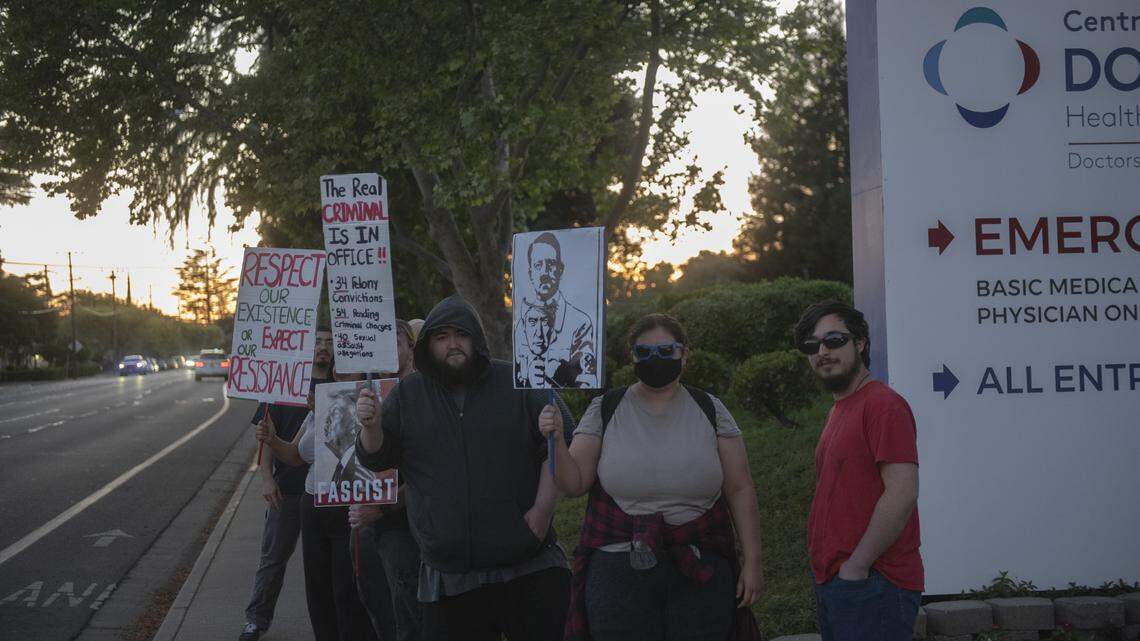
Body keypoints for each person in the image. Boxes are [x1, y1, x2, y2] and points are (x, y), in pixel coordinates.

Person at [355, 295, 576, 641]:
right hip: (450, 576)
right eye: (442, 337)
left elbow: (557, 441)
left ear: (477, 338)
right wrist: (370, 427)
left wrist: (543, 510)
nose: (453, 344)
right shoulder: (407, 394)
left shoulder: (518, 381)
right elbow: (378, 458)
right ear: (428, 345)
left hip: (528, 565)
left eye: (461, 334)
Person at [541, 312, 764, 641]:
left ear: (684, 354)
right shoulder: (605, 408)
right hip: (617, 570)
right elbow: (572, 484)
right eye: (644, 352)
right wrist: (556, 439)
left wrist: (753, 562)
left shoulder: (710, 408)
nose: (655, 359)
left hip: (701, 565)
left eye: (666, 351)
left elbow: (740, 487)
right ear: (632, 355)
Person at [793, 300, 923, 641]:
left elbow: (902, 491)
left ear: (860, 343)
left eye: (834, 340)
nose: (822, 351)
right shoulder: (841, 409)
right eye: (813, 345)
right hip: (842, 583)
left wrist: (858, 565)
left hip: (874, 584)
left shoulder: (883, 405)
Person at [256, 366, 375, 641]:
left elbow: (352, 446)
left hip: (351, 508)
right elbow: (295, 455)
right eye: (338, 368)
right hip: (313, 504)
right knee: (318, 588)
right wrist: (272, 439)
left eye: (349, 368)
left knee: (347, 589)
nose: (342, 373)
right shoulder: (319, 406)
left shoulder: (372, 403)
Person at [238, 327, 333, 641]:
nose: (323, 348)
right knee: (273, 558)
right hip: (287, 489)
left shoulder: (342, 385)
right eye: (318, 342)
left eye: (329, 343)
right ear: (307, 348)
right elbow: (266, 439)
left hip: (329, 492)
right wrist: (266, 479)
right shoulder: (282, 386)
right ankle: (255, 621)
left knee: (330, 564)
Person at [349, 319, 436, 641]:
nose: (384, 351)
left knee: (413, 611)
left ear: (411, 349)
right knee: (379, 607)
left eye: (393, 342)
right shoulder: (363, 396)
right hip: (374, 526)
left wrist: (384, 509)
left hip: (411, 527)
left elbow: (435, 470)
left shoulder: (428, 393)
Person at [513, 231, 597, 389]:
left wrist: (560, 376)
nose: (544, 273)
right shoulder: (522, 325)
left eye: (550, 264)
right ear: (530, 273)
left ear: (560, 270)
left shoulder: (581, 322)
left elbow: (588, 380)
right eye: (538, 265)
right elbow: (518, 373)